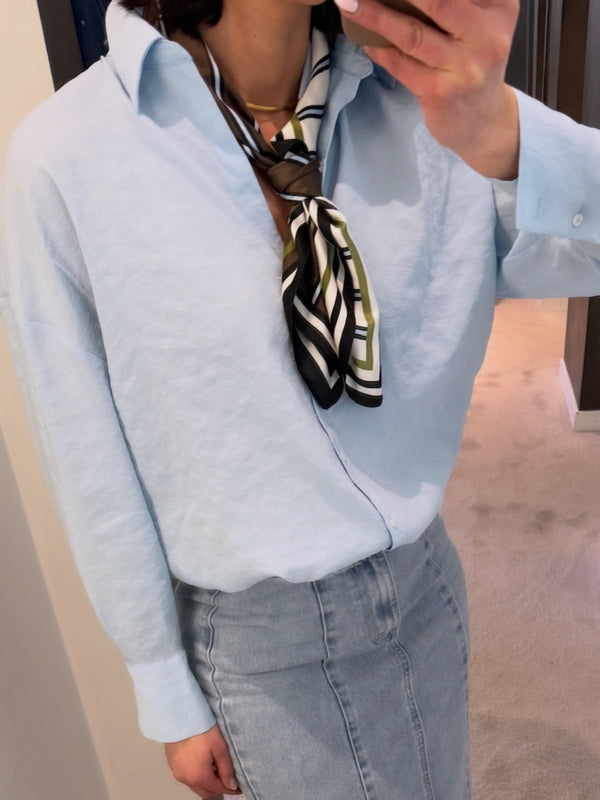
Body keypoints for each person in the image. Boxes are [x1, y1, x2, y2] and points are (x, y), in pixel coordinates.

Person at [1, 0, 599, 798]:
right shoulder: (67, 156)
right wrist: (162, 682)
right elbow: (89, 461)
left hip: (425, 586)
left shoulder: (428, 111)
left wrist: (503, 132)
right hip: (264, 650)